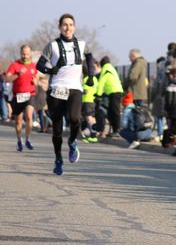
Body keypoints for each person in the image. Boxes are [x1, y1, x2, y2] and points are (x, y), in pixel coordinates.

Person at [35, 14, 87, 175]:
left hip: (75, 88)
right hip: (56, 89)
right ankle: (58, 159)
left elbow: (89, 63)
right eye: (65, 24)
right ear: (59, 27)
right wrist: (51, 70)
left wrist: (91, 76)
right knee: (57, 129)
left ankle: (72, 141)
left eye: (71, 24)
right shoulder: (52, 45)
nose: (68, 27)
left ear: (74, 27)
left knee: (74, 118)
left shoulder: (82, 44)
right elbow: (40, 65)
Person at [6, 44, 38, 151]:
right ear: (20, 53)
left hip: (30, 95)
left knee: (29, 117)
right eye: (23, 54)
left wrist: (36, 81)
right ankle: (19, 140)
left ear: (30, 54)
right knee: (18, 121)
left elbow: (37, 79)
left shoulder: (33, 66)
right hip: (18, 96)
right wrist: (18, 74)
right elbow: (7, 79)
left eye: (27, 54)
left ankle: (28, 139)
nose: (25, 56)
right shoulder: (14, 65)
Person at [96, 56, 124, 137]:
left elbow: (101, 82)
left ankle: (117, 130)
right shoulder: (111, 68)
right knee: (111, 111)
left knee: (115, 111)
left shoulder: (106, 68)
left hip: (114, 91)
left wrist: (98, 95)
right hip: (115, 91)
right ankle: (115, 130)